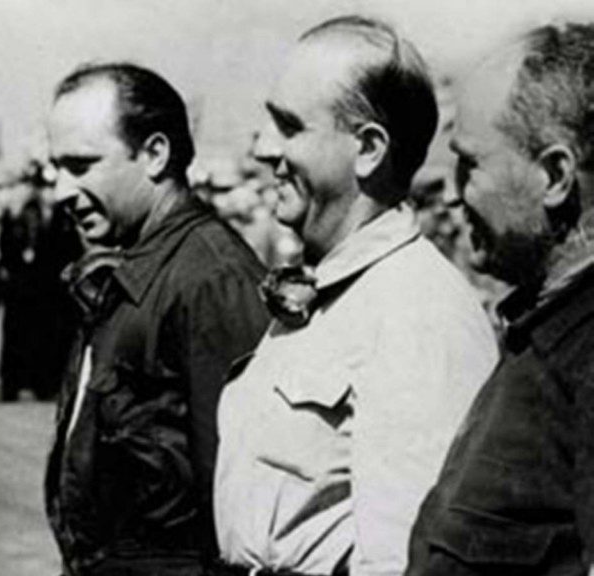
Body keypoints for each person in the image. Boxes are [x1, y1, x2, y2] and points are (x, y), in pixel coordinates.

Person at [213, 16, 498, 576]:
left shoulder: (418, 317)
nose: (263, 148)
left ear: (368, 149)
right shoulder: (333, 291)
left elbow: (407, 561)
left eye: (289, 127)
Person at [44, 62, 271, 576]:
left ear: (155, 154)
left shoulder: (210, 280)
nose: (59, 190)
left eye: (80, 165)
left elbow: (238, 504)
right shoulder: (129, 266)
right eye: (55, 167)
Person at [406, 22, 594, 576]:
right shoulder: (545, 332)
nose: (450, 190)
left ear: (555, 175)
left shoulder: (581, 356)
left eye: (471, 163)